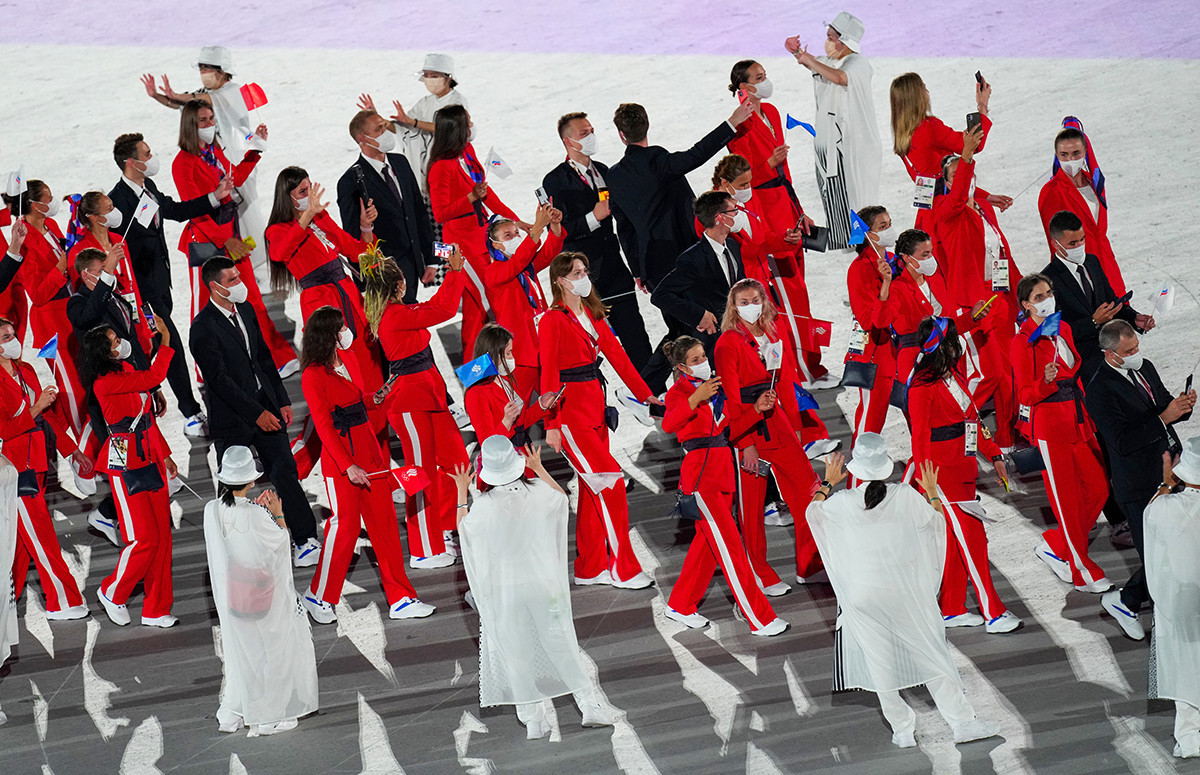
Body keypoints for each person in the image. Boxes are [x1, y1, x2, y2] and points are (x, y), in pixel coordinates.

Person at [807, 439, 999, 748]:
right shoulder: (906, 495)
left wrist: (827, 484)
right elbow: (936, 525)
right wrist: (933, 493)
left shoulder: (840, 502)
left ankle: (902, 729)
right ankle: (963, 724)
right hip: (905, 593)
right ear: (885, 467)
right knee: (932, 654)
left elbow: (812, 514)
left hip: (863, 596)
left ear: (855, 469)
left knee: (879, 661)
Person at [452, 438, 615, 740]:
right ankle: (589, 706)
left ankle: (533, 722)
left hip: (507, 595)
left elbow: (463, 529)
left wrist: (463, 490)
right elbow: (562, 499)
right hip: (544, 588)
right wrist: (539, 468)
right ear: (517, 464)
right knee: (563, 647)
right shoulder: (540, 495)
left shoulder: (484, 508)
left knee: (518, 655)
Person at [607, 99, 756, 392]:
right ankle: (654, 391)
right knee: (698, 327)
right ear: (647, 126)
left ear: (621, 135)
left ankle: (648, 391)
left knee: (680, 330)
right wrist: (732, 122)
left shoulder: (614, 175)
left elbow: (623, 227)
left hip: (652, 264)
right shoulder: (658, 160)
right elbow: (695, 155)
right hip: (683, 260)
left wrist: (638, 269)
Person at [298, 306, 434, 624]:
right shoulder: (312, 375)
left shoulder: (345, 361)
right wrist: (347, 466)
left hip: (370, 459)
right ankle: (318, 596)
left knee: (385, 528)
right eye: (342, 328)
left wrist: (376, 397)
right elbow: (324, 426)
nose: (348, 332)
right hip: (344, 465)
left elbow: (355, 402)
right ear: (329, 336)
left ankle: (400, 598)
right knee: (343, 530)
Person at [190, 257, 321, 567]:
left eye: (238, 276)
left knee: (285, 473)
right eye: (232, 279)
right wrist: (256, 413)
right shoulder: (202, 328)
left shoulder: (246, 310)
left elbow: (262, 359)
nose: (240, 282)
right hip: (233, 418)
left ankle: (304, 538)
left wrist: (282, 400)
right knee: (232, 489)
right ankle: (233, 552)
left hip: (265, 406)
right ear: (215, 286)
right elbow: (219, 381)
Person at [540, 252, 659, 588]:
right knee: (611, 484)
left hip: (596, 411)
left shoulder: (592, 313)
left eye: (584, 270)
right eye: (576, 272)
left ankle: (590, 567)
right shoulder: (552, 320)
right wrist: (551, 425)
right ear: (560, 280)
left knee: (594, 493)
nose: (583, 276)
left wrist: (645, 394)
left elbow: (618, 357)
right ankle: (624, 569)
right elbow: (548, 372)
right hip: (571, 418)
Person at [660, 335, 787, 635]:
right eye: (695, 360)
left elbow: (731, 429)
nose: (703, 362)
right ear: (682, 367)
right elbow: (669, 424)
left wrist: (756, 408)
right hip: (702, 481)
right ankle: (761, 619)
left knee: (706, 546)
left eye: (703, 356)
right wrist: (695, 397)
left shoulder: (718, 390)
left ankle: (680, 604)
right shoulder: (678, 394)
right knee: (732, 551)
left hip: (723, 476)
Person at [908, 317, 1021, 633]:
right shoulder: (920, 387)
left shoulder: (954, 375)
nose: (960, 346)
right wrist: (929, 488)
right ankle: (994, 613)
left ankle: (953, 608)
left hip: (964, 468)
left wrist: (995, 454)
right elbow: (919, 439)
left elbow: (972, 422)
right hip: (941, 475)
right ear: (943, 347)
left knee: (961, 542)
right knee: (973, 540)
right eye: (954, 341)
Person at [1087, 320, 1196, 640]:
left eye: (1136, 347)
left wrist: (1182, 407)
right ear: (1111, 354)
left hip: (1169, 470)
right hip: (1137, 485)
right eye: (1129, 350)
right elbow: (1120, 441)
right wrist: (1165, 417)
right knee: (1160, 557)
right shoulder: (1098, 389)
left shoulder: (1144, 366)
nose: (1137, 353)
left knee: (1179, 548)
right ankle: (1125, 601)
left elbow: (1160, 402)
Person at [172, 100, 297, 376]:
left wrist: (255, 150)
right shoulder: (182, 164)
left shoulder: (213, 151)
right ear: (190, 126)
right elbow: (195, 211)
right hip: (205, 242)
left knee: (251, 299)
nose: (209, 125)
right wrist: (224, 240)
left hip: (231, 236)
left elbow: (236, 176)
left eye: (211, 119)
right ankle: (206, 370)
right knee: (206, 309)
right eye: (203, 120)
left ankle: (274, 358)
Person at [713, 278, 822, 593]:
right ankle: (758, 573)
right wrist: (745, 444)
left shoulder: (775, 331)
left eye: (755, 299)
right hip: (748, 426)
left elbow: (785, 382)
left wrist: (796, 430)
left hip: (779, 423)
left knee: (808, 491)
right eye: (743, 301)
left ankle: (810, 563)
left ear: (764, 300)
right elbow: (732, 400)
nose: (751, 306)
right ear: (733, 307)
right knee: (752, 506)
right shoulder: (727, 343)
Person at [362, 245, 469, 568]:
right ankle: (424, 547)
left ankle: (446, 527)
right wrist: (455, 271)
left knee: (456, 460)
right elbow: (444, 309)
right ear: (397, 286)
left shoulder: (398, 312)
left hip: (428, 394)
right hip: (409, 401)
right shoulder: (394, 316)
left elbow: (435, 307)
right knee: (420, 474)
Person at [110, 132, 222, 432]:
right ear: (131, 162)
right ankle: (189, 413)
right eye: (147, 154)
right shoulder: (116, 203)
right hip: (142, 293)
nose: (152, 157)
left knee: (162, 345)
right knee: (167, 344)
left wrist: (215, 197)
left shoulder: (149, 187)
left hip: (162, 286)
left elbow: (173, 210)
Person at [204, 445, 318, 737]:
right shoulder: (256, 514)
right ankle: (268, 717)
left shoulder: (211, 509)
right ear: (252, 481)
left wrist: (256, 512)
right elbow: (279, 544)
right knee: (269, 653)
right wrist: (276, 515)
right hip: (259, 596)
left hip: (231, 595)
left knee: (238, 651)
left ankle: (230, 713)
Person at [1011, 274, 1112, 593]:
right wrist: (1046, 380)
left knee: (1098, 488)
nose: (1047, 299)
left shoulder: (1063, 328)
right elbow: (1025, 395)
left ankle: (1056, 544)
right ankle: (1083, 572)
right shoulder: (1021, 342)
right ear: (1026, 305)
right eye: (1039, 296)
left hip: (1078, 421)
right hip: (1051, 429)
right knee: (1067, 502)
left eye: (1048, 292)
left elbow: (1076, 374)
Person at [80, 317, 178, 628]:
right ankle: (112, 591)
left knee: (162, 537)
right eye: (113, 341)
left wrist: (165, 455)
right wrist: (165, 340)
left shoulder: (126, 371)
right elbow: (155, 376)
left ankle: (157, 608)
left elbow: (146, 417)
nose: (119, 342)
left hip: (150, 453)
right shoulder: (104, 383)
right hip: (124, 462)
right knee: (144, 538)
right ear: (104, 353)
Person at [931, 126, 1019, 448]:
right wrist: (966, 154)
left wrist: (1018, 292)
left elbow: (1001, 253)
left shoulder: (984, 208)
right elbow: (957, 198)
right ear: (948, 182)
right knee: (988, 374)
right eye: (955, 174)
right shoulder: (944, 211)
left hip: (999, 296)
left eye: (967, 171)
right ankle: (952, 423)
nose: (964, 177)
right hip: (972, 304)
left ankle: (1008, 437)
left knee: (1009, 371)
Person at [543, 112, 652, 370]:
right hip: (583, 279)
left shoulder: (604, 171)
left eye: (592, 131)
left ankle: (653, 398)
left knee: (637, 338)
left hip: (616, 270)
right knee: (592, 347)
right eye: (584, 133)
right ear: (568, 141)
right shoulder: (554, 181)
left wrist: (637, 267)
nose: (591, 137)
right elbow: (560, 231)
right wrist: (594, 216)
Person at [142, 46, 268, 266]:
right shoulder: (188, 158)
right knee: (224, 219)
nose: (203, 72)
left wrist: (174, 96)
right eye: (200, 68)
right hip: (216, 166)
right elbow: (186, 105)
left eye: (207, 67)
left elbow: (200, 101)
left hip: (236, 164)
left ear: (222, 71)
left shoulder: (231, 91)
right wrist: (158, 96)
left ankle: (260, 272)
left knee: (249, 221)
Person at [0, 317, 89, 620]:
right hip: (14, 470)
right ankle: (62, 601)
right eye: (4, 337)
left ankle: (7, 604)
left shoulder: (24, 370)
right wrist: (36, 407)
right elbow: (5, 430)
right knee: (42, 537)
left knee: (23, 545)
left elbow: (49, 418)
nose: (11, 340)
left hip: (36, 463)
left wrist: (73, 451)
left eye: (12, 334)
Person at [266, 167, 383, 395]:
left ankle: (379, 425)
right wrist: (307, 216)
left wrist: (366, 226)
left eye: (310, 188)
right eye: (302, 191)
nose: (309, 195)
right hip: (320, 303)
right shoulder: (277, 230)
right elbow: (278, 253)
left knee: (368, 356)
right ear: (286, 196)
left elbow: (356, 251)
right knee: (339, 366)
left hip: (347, 295)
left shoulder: (321, 217)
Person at [427, 104, 522, 358]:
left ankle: (477, 374)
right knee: (488, 302)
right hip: (460, 247)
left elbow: (485, 193)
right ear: (456, 129)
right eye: (467, 122)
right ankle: (507, 359)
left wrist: (515, 220)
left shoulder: (467, 151)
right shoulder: (440, 167)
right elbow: (440, 213)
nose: (471, 126)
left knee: (475, 310)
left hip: (479, 239)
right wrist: (470, 197)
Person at [784, 12, 882, 246]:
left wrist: (807, 59)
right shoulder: (832, 62)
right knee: (836, 198)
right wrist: (797, 52)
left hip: (854, 147)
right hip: (832, 147)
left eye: (831, 37)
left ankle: (861, 244)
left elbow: (840, 78)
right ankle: (847, 242)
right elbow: (821, 67)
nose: (827, 42)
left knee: (857, 200)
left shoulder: (858, 63)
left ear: (844, 39)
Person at [1, 181, 88, 441]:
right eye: (48, 197)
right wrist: (62, 265)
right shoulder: (24, 238)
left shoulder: (50, 226)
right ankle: (84, 452)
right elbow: (37, 295)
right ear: (35, 205)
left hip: (72, 315)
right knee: (73, 390)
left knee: (86, 383)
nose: (53, 201)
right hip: (52, 329)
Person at [337, 109, 437, 305]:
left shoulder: (400, 162)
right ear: (361, 138)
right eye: (379, 129)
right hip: (383, 273)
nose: (386, 132)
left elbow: (418, 211)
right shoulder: (349, 182)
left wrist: (431, 258)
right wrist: (364, 282)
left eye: (384, 126)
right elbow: (350, 236)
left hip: (412, 264)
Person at [1041, 210, 1151, 382]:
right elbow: (1054, 332)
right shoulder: (1047, 282)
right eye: (1072, 243)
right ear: (1055, 244)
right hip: (1083, 359)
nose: (1079, 246)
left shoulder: (1092, 262)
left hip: (1112, 348)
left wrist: (1134, 318)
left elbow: (1110, 301)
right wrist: (1093, 322)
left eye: (1082, 239)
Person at [889, 71, 1005, 234]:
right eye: (923, 87)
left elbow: (935, 182)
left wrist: (985, 196)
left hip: (927, 216)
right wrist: (982, 106)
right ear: (916, 97)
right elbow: (972, 145)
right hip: (949, 214)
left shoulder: (901, 136)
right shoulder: (930, 128)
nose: (927, 91)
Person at [1144, 439, 1200, 759]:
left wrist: (1167, 481)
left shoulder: (1166, 510)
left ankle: (1189, 738)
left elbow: (1150, 513)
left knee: (1185, 667)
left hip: (1182, 603)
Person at [358, 53, 468, 207]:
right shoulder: (425, 103)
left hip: (446, 164)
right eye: (427, 76)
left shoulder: (457, 101)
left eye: (434, 76)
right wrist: (377, 118)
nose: (429, 80)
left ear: (448, 77)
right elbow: (403, 128)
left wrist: (415, 122)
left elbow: (450, 127)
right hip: (424, 168)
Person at [483, 205, 564, 402]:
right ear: (496, 245)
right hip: (519, 355)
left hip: (542, 346)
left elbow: (549, 251)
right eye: (508, 235)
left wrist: (554, 225)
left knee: (557, 401)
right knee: (517, 414)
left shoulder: (526, 264)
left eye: (517, 233)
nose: (516, 238)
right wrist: (536, 227)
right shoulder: (493, 273)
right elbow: (517, 263)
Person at [652, 191, 746, 354]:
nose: (738, 214)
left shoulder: (733, 246)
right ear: (720, 218)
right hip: (714, 344)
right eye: (733, 210)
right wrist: (699, 315)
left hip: (740, 335)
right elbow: (660, 295)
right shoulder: (692, 259)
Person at [1037, 122, 1124, 295]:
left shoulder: (1094, 183)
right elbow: (1056, 244)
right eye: (1064, 154)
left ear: (1085, 152)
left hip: (1107, 266)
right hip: (1082, 274)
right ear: (1057, 155)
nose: (1071, 160)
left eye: (1076, 153)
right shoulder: (1051, 192)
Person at [845, 206, 900, 450]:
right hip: (876, 355)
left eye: (889, 224)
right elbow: (870, 321)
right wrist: (885, 286)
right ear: (868, 234)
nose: (889, 230)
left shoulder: (892, 259)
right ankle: (858, 480)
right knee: (870, 424)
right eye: (882, 226)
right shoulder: (859, 269)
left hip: (900, 350)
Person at [464, 324, 555, 449]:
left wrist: (541, 406)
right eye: (508, 353)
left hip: (523, 453)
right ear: (494, 354)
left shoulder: (504, 380)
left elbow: (520, 424)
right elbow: (488, 444)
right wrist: (506, 421)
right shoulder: (476, 394)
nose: (512, 358)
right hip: (504, 460)